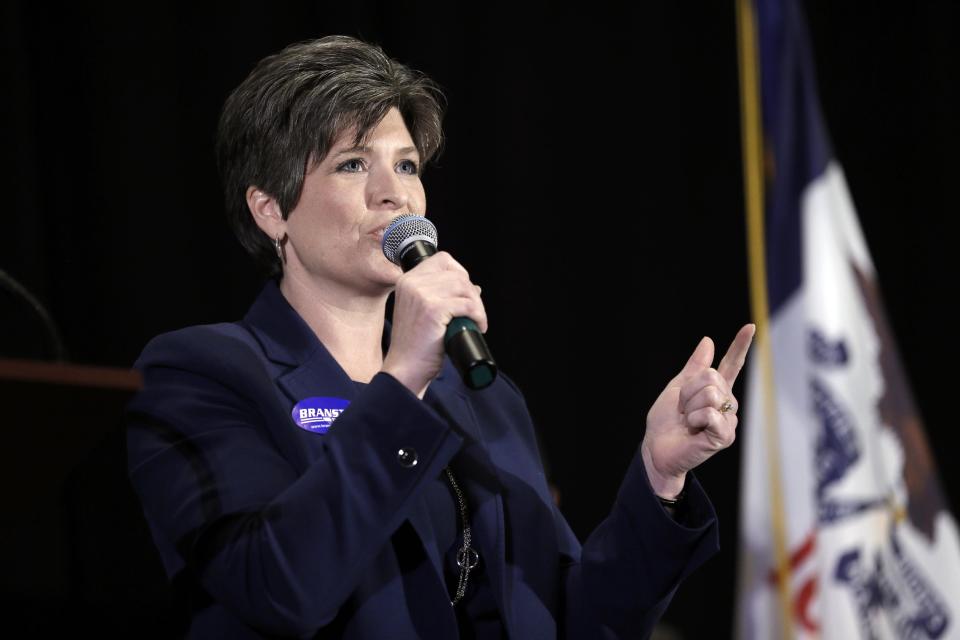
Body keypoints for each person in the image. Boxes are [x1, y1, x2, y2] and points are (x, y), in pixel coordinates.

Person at [125, 34, 755, 639]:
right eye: (352, 165)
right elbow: (277, 589)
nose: (394, 194)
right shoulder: (204, 374)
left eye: (406, 165)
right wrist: (400, 381)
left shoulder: (485, 396)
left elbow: (577, 620)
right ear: (271, 210)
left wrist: (658, 478)